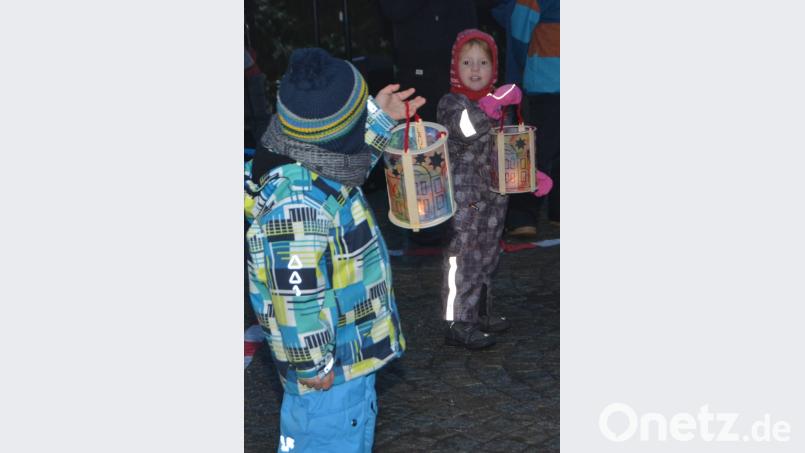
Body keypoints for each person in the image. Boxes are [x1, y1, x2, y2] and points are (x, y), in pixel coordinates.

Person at [245, 48, 425, 453]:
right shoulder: (296, 206)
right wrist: (313, 363)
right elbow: (294, 295)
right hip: (328, 379)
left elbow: (351, 158)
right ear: (339, 135)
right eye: (361, 112)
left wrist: (378, 116)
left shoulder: (308, 153)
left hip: (347, 359)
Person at [436, 29, 521, 349]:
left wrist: (529, 172)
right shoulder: (451, 103)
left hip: (494, 197)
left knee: (487, 257)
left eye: (483, 63)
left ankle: (479, 312)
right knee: (463, 259)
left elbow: (508, 143)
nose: (475, 69)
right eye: (467, 62)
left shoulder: (500, 103)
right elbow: (466, 128)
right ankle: (457, 320)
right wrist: (491, 104)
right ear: (455, 68)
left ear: (493, 68)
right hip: (464, 198)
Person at [499, 0, 560, 237]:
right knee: (542, 151)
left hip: (547, 77)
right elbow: (521, 26)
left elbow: (520, 28)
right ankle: (536, 213)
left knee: (539, 151)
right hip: (548, 80)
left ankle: (532, 215)